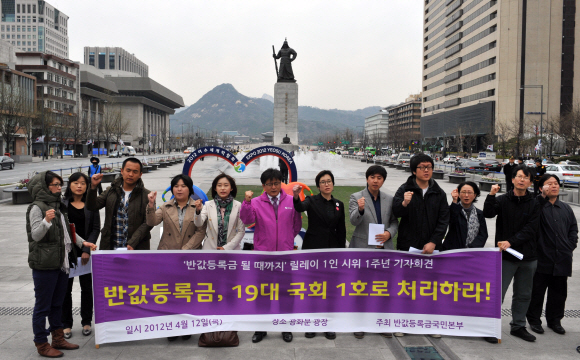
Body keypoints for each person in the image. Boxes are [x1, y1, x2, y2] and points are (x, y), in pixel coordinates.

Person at [26, 171, 97, 358]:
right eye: (56, 185)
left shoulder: (58, 206)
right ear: (44, 187)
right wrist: (46, 221)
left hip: (61, 263)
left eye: (60, 184)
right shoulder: (37, 208)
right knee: (43, 306)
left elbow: (69, 232)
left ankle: (57, 338)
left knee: (57, 304)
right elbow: (35, 235)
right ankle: (41, 343)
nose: (59, 188)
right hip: (44, 264)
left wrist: (84, 244)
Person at [240, 168, 302, 344]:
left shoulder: (291, 201)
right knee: (262, 293)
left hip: (285, 255)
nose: (273, 187)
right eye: (269, 184)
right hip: (263, 256)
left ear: (281, 183)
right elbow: (247, 220)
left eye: (276, 183)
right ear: (263, 185)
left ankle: (285, 327)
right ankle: (261, 328)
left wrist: (287, 240)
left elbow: (296, 225)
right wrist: (246, 202)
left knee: (285, 293)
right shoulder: (257, 202)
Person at [392, 153, 449, 338]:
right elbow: (395, 212)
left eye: (429, 167)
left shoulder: (438, 192)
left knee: (430, 287)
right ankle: (403, 322)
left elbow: (443, 220)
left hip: (431, 247)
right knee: (406, 286)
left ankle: (430, 324)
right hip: (408, 246)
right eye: (422, 167)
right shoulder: (405, 189)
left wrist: (433, 242)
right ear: (414, 170)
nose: (426, 170)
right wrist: (405, 202)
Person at [483, 165, 540, 343]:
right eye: (519, 176)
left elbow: (531, 228)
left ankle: (518, 326)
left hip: (528, 257)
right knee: (497, 294)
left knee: (523, 294)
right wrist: (491, 195)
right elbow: (488, 213)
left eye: (526, 177)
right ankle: (490, 328)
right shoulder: (502, 200)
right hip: (505, 257)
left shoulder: (535, 202)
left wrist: (512, 241)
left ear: (530, 182)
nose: (522, 180)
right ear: (513, 179)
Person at [146, 174, 206, 341]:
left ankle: (186, 326)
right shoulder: (165, 206)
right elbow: (151, 222)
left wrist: (185, 249)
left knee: (187, 293)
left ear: (190, 189)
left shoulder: (198, 206)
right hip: (168, 256)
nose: (179, 189)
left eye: (183, 186)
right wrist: (151, 204)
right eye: (176, 186)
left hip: (190, 256)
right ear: (172, 189)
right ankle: (170, 328)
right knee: (170, 293)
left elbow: (201, 231)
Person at [293, 170, 346, 341]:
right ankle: (311, 323)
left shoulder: (338, 204)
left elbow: (342, 229)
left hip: (333, 249)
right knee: (313, 288)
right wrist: (295, 196)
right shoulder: (311, 200)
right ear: (318, 186)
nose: (326, 184)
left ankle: (328, 324)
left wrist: (341, 250)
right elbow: (300, 207)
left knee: (330, 288)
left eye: (329, 181)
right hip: (314, 248)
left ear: (333, 183)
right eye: (323, 182)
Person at [348, 165, 399, 339]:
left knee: (383, 288)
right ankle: (359, 323)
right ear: (367, 178)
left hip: (383, 250)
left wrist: (389, 233)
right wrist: (360, 209)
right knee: (362, 288)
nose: (375, 180)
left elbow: (394, 222)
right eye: (372, 177)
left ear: (383, 180)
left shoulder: (389, 199)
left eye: (379, 177)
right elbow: (353, 221)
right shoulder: (356, 197)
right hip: (363, 250)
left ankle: (381, 323)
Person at [526, 174, 578, 335]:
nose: (554, 186)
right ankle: (534, 320)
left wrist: (569, 246)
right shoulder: (536, 205)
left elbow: (573, 230)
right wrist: (541, 197)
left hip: (562, 258)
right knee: (537, 291)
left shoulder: (566, 208)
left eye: (556, 183)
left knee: (558, 293)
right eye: (549, 184)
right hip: (542, 257)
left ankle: (555, 321)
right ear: (541, 188)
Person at [61, 173, 100, 340]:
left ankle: (86, 321)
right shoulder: (62, 205)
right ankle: (66, 324)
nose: (79, 186)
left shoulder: (91, 204)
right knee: (65, 290)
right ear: (69, 185)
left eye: (83, 183)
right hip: (67, 253)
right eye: (75, 182)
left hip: (85, 253)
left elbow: (96, 228)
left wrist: (87, 250)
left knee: (86, 288)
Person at [86, 157, 152, 250]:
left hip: (136, 247)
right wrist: (93, 187)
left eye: (135, 172)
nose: (130, 174)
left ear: (140, 174)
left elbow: (148, 222)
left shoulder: (147, 195)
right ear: (122, 171)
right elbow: (92, 206)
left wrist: (133, 242)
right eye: (128, 170)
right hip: (111, 246)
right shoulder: (111, 191)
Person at [193, 173, 245, 250]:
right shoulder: (208, 205)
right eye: (219, 185)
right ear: (215, 188)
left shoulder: (238, 205)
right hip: (210, 248)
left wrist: (226, 248)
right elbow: (198, 223)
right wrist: (197, 211)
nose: (222, 188)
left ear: (231, 188)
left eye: (226, 185)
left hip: (231, 249)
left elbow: (241, 231)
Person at [442, 182, 488, 250]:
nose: (466, 195)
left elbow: (483, 235)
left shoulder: (479, 214)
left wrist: (471, 248)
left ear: (475, 195)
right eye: (463, 192)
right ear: (459, 194)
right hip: (452, 251)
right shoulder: (452, 209)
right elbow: (451, 221)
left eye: (469, 192)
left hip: (471, 252)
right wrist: (454, 201)